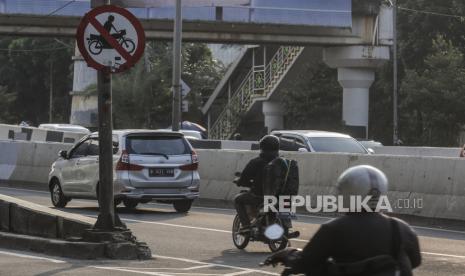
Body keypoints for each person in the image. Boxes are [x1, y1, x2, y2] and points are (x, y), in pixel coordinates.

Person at [265, 165, 422, 276]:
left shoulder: (333, 229)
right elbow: (415, 261)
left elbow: (306, 263)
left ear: (348, 194)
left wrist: (290, 255)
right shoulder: (401, 228)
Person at [234, 135, 281, 229]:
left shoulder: (256, 162)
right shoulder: (283, 162)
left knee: (238, 199)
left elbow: (244, 178)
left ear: (262, 147)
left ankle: (246, 226)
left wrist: (239, 182)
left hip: (260, 196)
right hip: (281, 196)